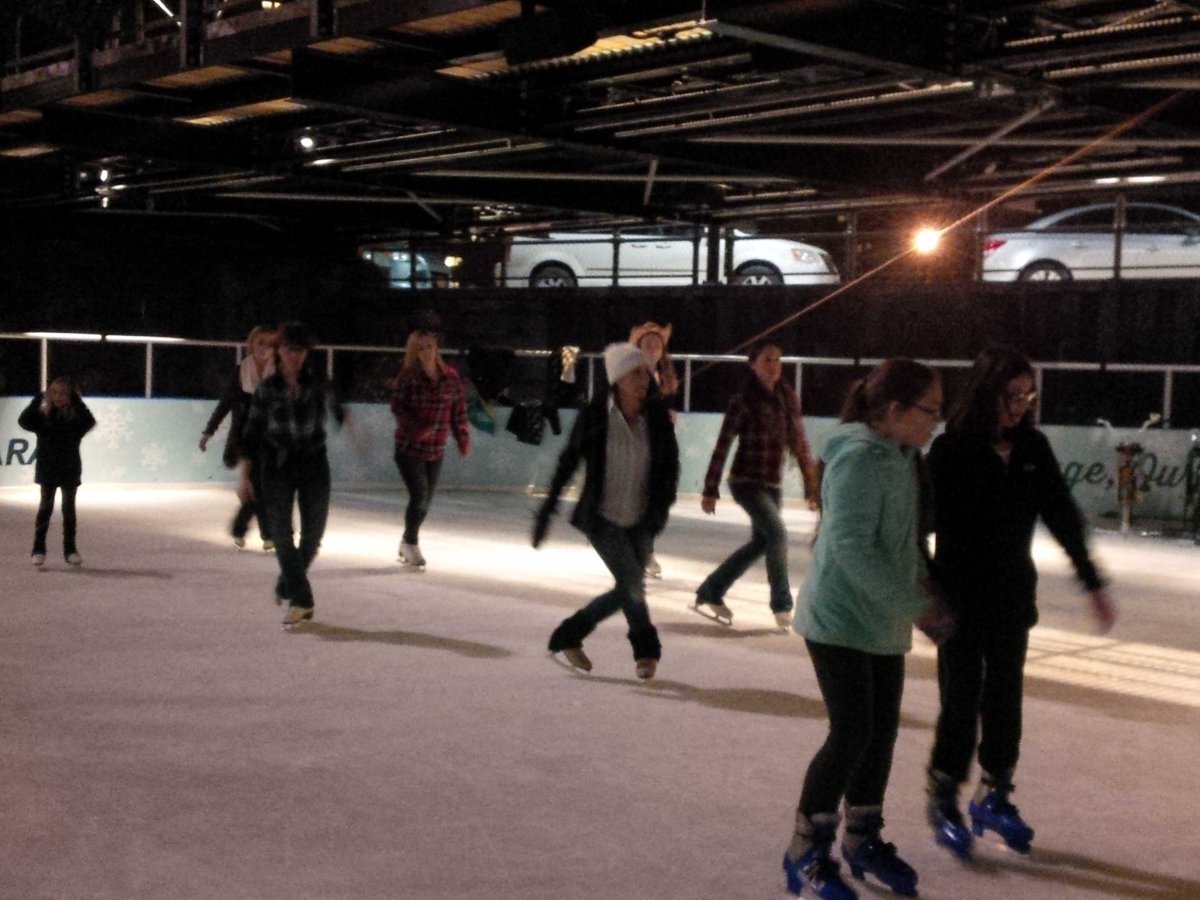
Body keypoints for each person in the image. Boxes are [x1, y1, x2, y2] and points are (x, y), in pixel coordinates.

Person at [924, 346, 1116, 861]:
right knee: (961, 700)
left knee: (1005, 699)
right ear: (986, 391)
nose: (1021, 404)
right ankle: (944, 796)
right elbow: (917, 525)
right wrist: (921, 595)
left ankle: (994, 793)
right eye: (1012, 394)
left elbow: (1061, 515)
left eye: (1028, 395)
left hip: (1011, 597)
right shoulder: (951, 450)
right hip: (959, 601)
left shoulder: (1033, 447)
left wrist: (1092, 581)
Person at [783, 358, 943, 900]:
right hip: (838, 619)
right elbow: (851, 549)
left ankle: (861, 837)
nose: (936, 421)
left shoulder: (902, 459)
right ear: (894, 411)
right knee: (851, 733)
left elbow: (903, 544)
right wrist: (912, 605)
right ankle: (805, 847)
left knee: (880, 733)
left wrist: (925, 596)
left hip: (880, 622)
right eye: (929, 410)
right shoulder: (856, 460)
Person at [534, 342, 679, 679]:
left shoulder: (656, 417)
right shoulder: (596, 416)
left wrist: (661, 508)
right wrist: (547, 510)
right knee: (632, 584)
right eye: (634, 373)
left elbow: (670, 466)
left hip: (642, 518)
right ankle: (646, 651)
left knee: (629, 587)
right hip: (602, 518)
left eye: (645, 373)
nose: (643, 379)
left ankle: (569, 635)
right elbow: (568, 461)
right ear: (617, 378)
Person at [697, 340, 818, 629]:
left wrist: (811, 487)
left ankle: (712, 589)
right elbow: (723, 445)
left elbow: (801, 444)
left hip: (772, 483)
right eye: (767, 359)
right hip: (746, 482)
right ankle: (782, 604)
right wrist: (710, 488)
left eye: (777, 359)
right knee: (777, 534)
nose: (774, 365)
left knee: (762, 542)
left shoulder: (787, 398)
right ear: (752, 365)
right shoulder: (743, 399)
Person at [238, 322, 342, 626]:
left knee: (313, 537)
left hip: (314, 465)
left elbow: (337, 407)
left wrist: (343, 415)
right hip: (277, 466)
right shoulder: (267, 389)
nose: (294, 356)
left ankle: (288, 582)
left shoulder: (319, 383)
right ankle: (301, 599)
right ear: (279, 350)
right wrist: (245, 476)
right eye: (288, 349)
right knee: (281, 535)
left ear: (307, 353)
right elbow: (251, 433)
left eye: (300, 350)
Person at [389, 330, 471, 569]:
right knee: (420, 495)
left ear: (436, 349)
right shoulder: (408, 378)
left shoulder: (450, 378)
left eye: (429, 347)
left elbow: (458, 411)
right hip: (409, 448)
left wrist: (462, 438)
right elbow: (397, 407)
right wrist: (417, 428)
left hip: (435, 449)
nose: (425, 352)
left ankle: (406, 541)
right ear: (413, 352)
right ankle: (411, 543)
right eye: (420, 348)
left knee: (425, 501)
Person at [199, 324, 278, 550]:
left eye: (269, 344)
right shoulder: (242, 370)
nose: (264, 347)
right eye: (260, 342)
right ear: (251, 345)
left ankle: (244, 529)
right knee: (253, 486)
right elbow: (225, 403)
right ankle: (261, 533)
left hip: (268, 438)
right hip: (244, 437)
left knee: (255, 486)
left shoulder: (279, 374)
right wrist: (209, 431)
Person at [18, 376, 97, 567]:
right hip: (47, 469)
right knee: (45, 509)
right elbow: (24, 420)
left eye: (63, 393)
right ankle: (38, 549)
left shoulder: (75, 419)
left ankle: (70, 550)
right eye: (53, 392)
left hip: (69, 469)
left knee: (68, 510)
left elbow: (89, 421)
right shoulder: (43, 417)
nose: (58, 397)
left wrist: (76, 400)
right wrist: (39, 398)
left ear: (70, 396)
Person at [630, 321, 679, 579]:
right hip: (636, 443)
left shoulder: (665, 375)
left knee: (654, 499)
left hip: (660, 445)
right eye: (647, 344)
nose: (652, 348)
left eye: (656, 344)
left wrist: (669, 413)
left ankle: (645, 549)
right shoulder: (632, 373)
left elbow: (668, 405)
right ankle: (641, 551)